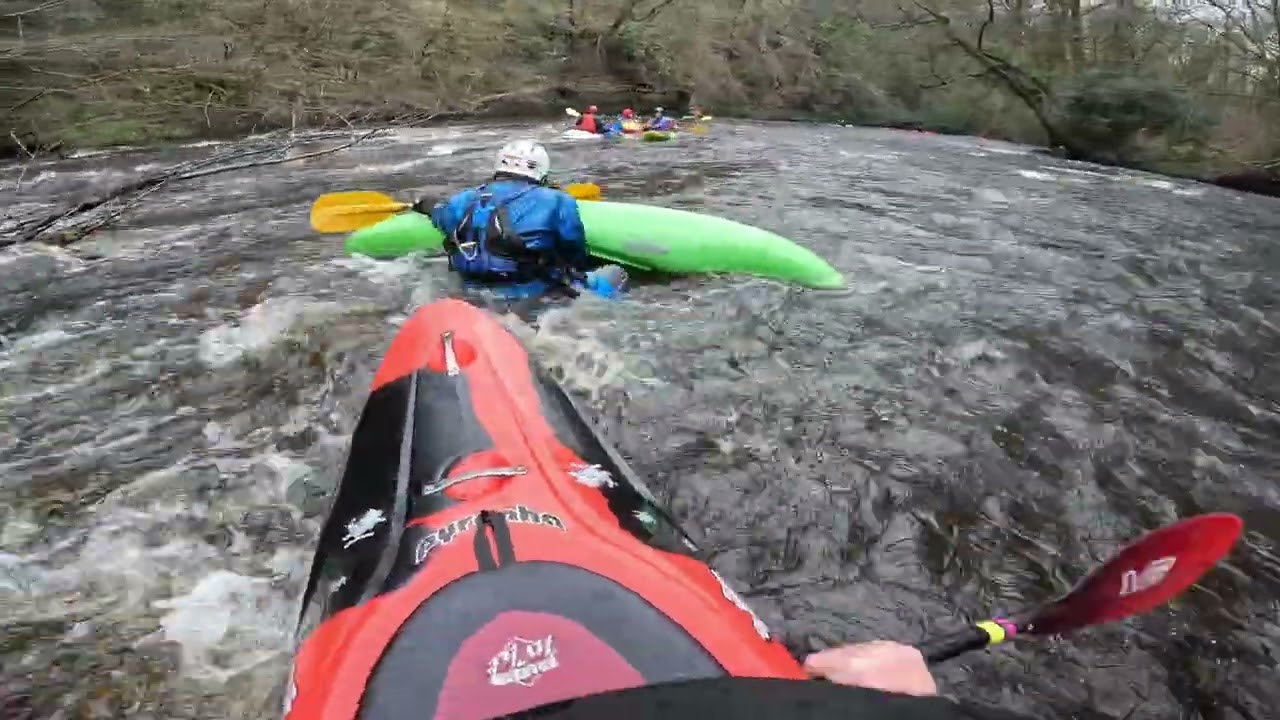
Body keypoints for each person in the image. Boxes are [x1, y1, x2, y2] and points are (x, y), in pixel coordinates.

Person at [415, 140, 627, 298]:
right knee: (616, 273)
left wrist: (427, 206)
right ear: (541, 170)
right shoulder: (558, 200)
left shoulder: (463, 199)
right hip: (532, 289)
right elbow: (574, 250)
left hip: (471, 289)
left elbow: (441, 216)